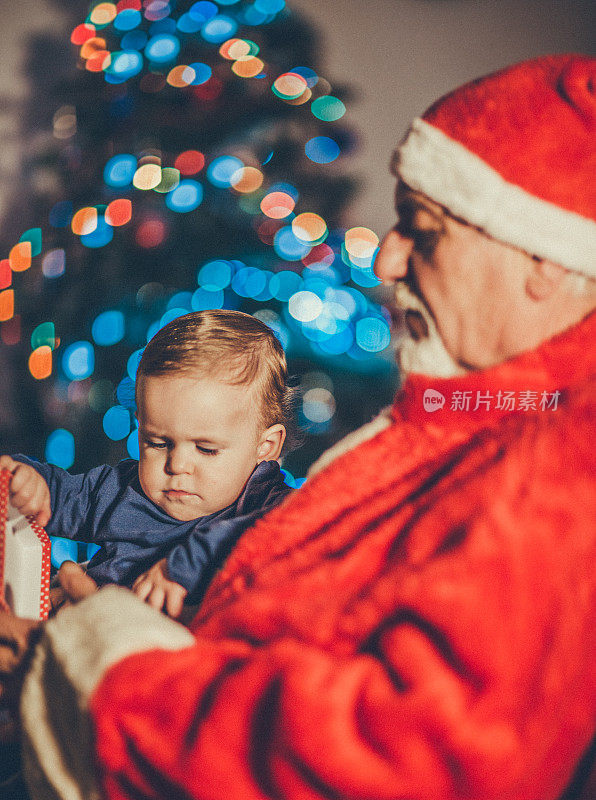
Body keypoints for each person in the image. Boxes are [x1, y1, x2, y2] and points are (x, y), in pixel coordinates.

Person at [1, 53, 595, 800]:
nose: (387, 254)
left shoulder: (560, 472)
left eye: (426, 229)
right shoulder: (480, 411)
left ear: (541, 258)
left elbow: (400, 756)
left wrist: (98, 658)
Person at [0, 309, 294, 618]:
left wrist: (182, 567)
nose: (177, 465)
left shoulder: (267, 504)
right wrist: (33, 482)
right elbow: (64, 497)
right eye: (157, 443)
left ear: (266, 447)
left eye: (206, 449)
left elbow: (263, 535)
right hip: (83, 645)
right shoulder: (123, 490)